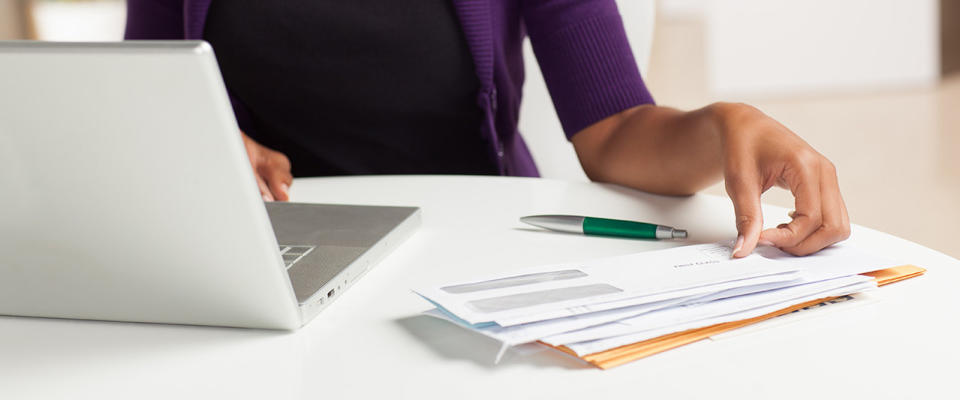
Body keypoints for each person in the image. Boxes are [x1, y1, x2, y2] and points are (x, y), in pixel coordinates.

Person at [125, 0, 849, 258]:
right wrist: (210, 142)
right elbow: (145, 96)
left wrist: (730, 126)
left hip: (472, 250)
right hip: (269, 248)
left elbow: (617, 129)